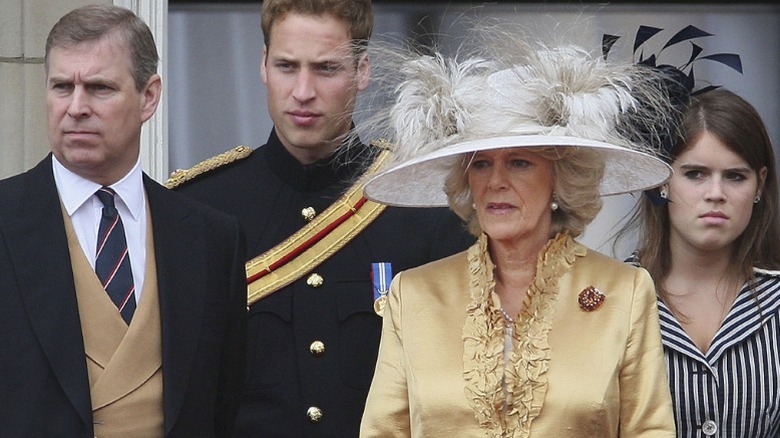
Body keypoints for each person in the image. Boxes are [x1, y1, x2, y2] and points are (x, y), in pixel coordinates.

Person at [165, 0, 474, 436]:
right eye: (287, 66)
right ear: (263, 67)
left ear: (362, 71)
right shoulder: (199, 210)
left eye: (326, 69)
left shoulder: (423, 207)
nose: (303, 91)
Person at [357, 31, 679, 437]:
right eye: (479, 164)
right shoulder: (413, 294)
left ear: (560, 178)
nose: (496, 182)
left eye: (520, 162)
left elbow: (650, 430)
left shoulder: (624, 291)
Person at [0, 5, 247, 436]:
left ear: (148, 97)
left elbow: (223, 407)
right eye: (62, 86)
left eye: (99, 88)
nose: (76, 107)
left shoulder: (211, 239)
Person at [624, 88, 780, 437]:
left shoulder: (777, 299)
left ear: (760, 184)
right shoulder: (613, 297)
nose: (715, 193)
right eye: (695, 174)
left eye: (735, 176)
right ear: (663, 180)